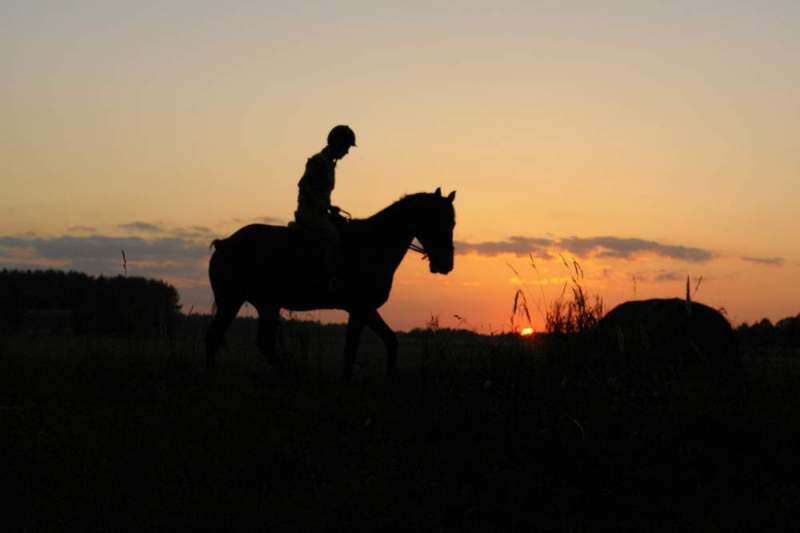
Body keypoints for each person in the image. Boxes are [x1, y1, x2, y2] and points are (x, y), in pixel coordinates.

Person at [293, 125, 356, 291]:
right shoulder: (319, 161)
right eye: (346, 147)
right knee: (333, 235)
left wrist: (330, 207)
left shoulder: (329, 164)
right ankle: (330, 279)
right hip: (309, 213)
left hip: (321, 212)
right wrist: (322, 206)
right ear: (337, 144)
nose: (347, 152)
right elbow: (304, 185)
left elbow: (320, 192)